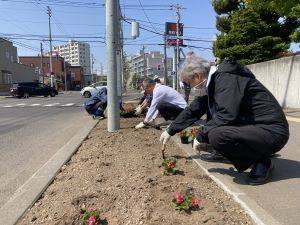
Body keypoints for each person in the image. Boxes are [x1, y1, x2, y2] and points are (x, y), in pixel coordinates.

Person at [159, 52, 289, 185]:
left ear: (197, 76)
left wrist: (201, 135)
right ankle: (254, 152)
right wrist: (171, 130)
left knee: (217, 135)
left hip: (273, 132)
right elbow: (194, 110)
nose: (189, 87)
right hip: (257, 129)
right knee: (214, 131)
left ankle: (262, 161)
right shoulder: (214, 82)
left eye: (189, 83)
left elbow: (226, 114)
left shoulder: (226, 78)